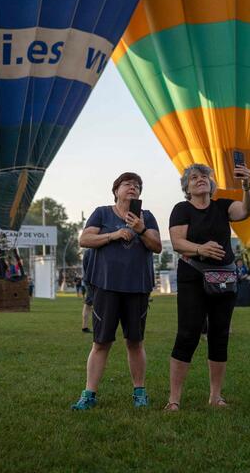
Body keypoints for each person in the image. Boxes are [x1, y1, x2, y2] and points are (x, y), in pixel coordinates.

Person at [165, 162, 250, 411]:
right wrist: (199, 249)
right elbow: (176, 241)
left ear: (211, 182)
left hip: (224, 278)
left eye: (204, 175)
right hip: (193, 276)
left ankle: (216, 396)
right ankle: (174, 399)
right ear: (187, 187)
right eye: (193, 177)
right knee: (188, 334)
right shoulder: (182, 209)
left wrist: (247, 186)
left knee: (219, 334)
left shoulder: (223, 205)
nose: (200, 179)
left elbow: (247, 210)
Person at [71, 172, 162, 410]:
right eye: (127, 184)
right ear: (116, 190)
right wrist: (113, 234)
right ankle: (89, 394)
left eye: (137, 185)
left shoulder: (147, 217)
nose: (133, 188)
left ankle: (139, 392)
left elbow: (157, 246)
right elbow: (85, 240)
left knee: (135, 341)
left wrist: (141, 229)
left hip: (137, 288)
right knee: (101, 343)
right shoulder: (102, 212)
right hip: (106, 287)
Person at [81, 250, 93, 333]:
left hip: (88, 280)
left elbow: (85, 267)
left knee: (88, 303)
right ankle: (85, 327)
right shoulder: (96, 252)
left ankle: (84, 326)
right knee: (90, 304)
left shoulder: (87, 252)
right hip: (93, 281)